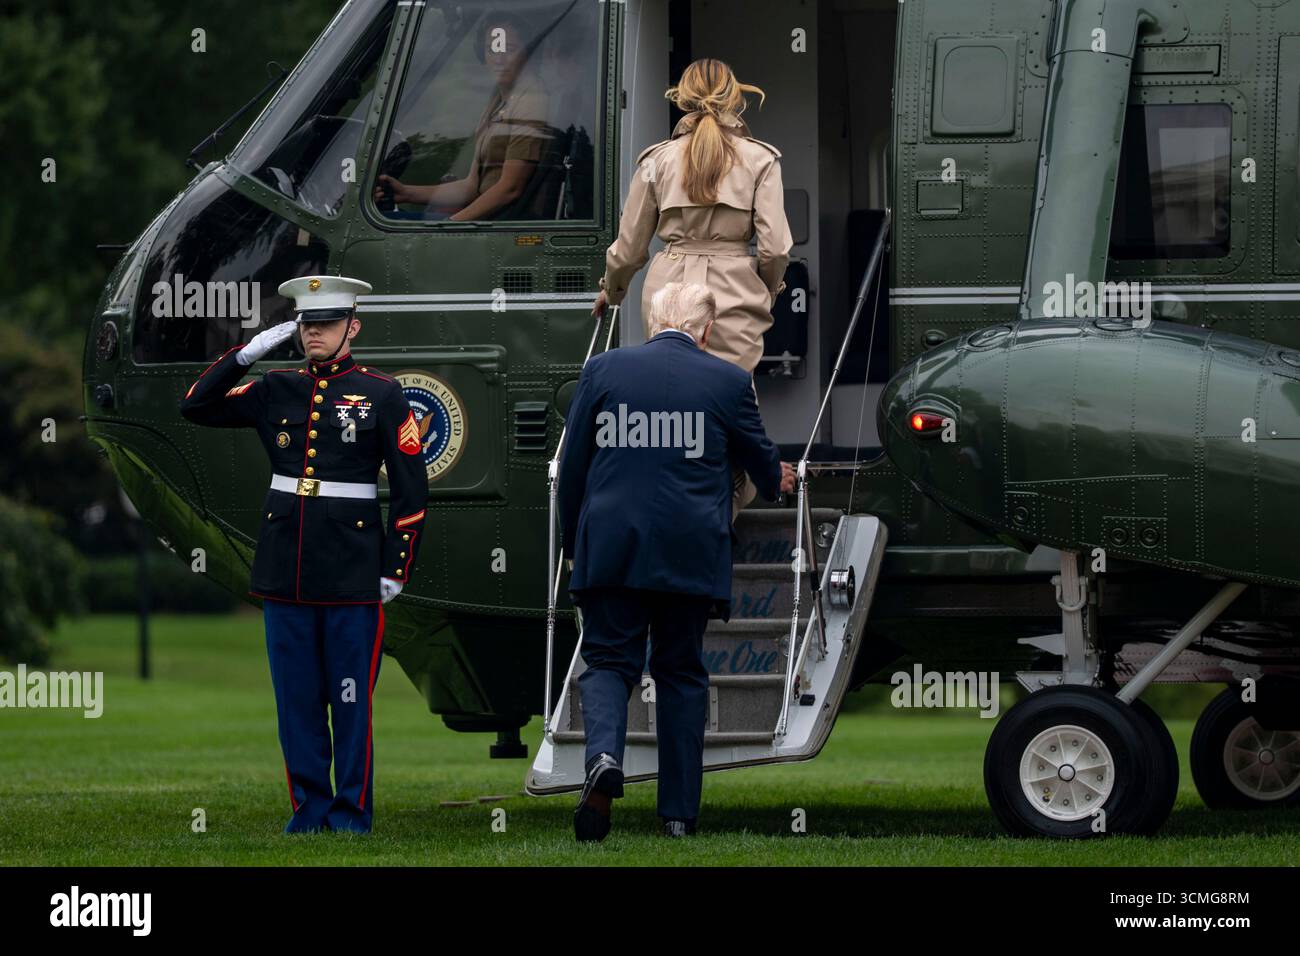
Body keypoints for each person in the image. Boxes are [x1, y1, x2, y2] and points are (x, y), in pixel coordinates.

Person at [179, 276, 430, 834]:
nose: (313, 332)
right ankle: (309, 810)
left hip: (351, 570)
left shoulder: (382, 394)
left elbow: (412, 492)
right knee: (296, 702)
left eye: (326, 323)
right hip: (285, 567)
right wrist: (248, 352)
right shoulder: (276, 388)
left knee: (349, 701)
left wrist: (395, 569)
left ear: (352, 328)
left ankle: (350, 814)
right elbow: (195, 405)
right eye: (306, 323)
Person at [559, 282, 796, 842]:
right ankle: (678, 816)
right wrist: (777, 480)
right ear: (707, 329)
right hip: (689, 552)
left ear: (652, 319)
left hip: (613, 547)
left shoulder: (603, 371)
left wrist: (576, 544)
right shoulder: (729, 381)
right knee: (681, 674)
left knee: (609, 663)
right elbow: (762, 465)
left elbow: (572, 469)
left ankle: (602, 760)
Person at [591, 58, 794, 515]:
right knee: (733, 405)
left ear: (681, 97)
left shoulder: (656, 159)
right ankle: (723, 514)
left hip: (668, 282)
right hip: (733, 287)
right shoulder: (761, 159)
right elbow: (777, 248)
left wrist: (613, 290)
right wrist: (765, 289)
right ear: (735, 96)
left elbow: (629, 247)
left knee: (672, 404)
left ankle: (671, 510)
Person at [374, 11, 551, 221]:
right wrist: (407, 193)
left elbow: (510, 189)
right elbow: (472, 186)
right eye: (492, 49)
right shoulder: (500, 101)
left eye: (509, 49)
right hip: (485, 221)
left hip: (501, 226)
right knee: (390, 219)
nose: (499, 58)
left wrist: (449, 225)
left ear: (528, 53)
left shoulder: (531, 99)